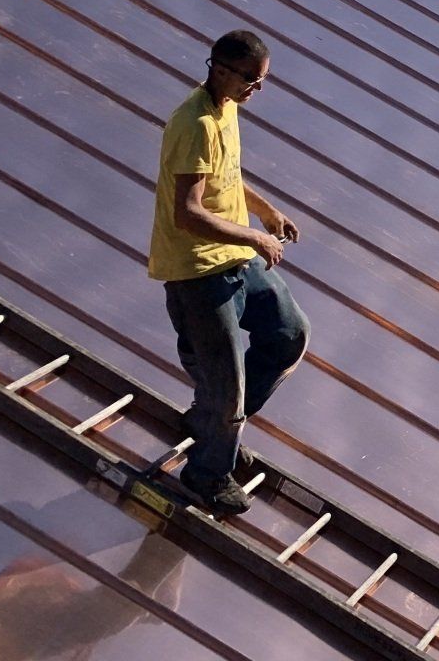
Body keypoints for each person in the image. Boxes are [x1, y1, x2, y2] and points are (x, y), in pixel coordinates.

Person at [150, 29, 307, 515]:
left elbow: (228, 176)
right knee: (227, 385)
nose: (255, 91)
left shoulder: (226, 109)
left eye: (261, 82)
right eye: (250, 81)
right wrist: (257, 239)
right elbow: (188, 213)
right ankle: (207, 472)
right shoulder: (193, 123)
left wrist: (263, 210)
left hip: (232, 257)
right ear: (219, 67)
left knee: (288, 336)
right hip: (198, 271)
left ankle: (213, 422)